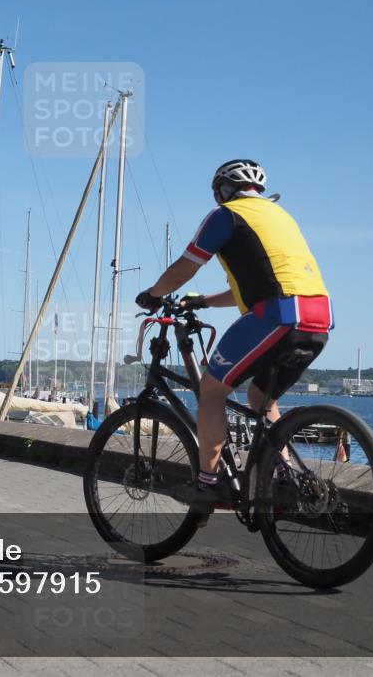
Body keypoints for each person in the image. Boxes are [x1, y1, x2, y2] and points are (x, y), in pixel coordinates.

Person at [135, 159, 333, 510]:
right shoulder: (280, 217)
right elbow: (256, 284)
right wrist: (205, 302)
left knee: (212, 389)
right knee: (261, 400)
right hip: (317, 318)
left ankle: (208, 486)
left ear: (223, 190)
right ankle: (286, 477)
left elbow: (186, 266)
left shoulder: (226, 215)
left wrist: (153, 294)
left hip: (278, 315)